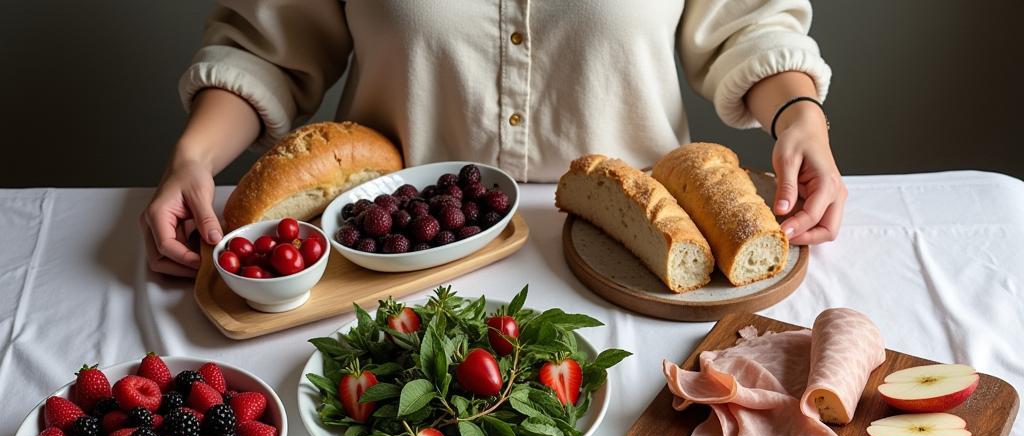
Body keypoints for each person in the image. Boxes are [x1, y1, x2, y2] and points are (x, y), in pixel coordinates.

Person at [143, 0, 845, 276]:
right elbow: (265, 48)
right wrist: (194, 157)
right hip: (389, 269)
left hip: (635, 267)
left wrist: (800, 118)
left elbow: (749, 30)